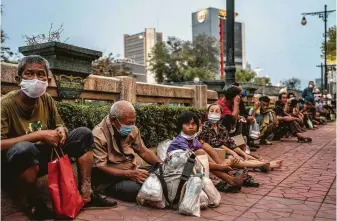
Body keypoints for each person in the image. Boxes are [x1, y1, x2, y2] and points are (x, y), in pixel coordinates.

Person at [1, 55, 116, 220]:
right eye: (29, 74)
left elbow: (59, 124)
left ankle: (86, 194)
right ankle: (34, 204)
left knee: (83, 134)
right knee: (24, 149)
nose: (36, 79)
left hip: (40, 157)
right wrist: (39, 135)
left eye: (40, 74)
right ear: (18, 78)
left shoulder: (46, 99)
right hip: (14, 163)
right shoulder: (5, 104)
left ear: (48, 79)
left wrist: (61, 130)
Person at [92, 101, 161, 202]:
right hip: (109, 180)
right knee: (142, 189)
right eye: (129, 123)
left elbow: (143, 151)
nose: (132, 126)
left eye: (134, 122)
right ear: (113, 120)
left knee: (158, 176)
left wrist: (162, 166)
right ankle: (105, 191)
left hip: (132, 172)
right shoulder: (98, 135)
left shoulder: (132, 129)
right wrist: (129, 174)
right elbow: (102, 167)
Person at [167, 111, 249, 193]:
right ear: (181, 126)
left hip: (191, 164)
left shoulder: (194, 139)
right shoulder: (180, 141)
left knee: (201, 151)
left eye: (193, 124)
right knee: (200, 154)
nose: (191, 127)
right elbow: (193, 160)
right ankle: (229, 178)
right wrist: (219, 166)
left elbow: (229, 144)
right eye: (187, 124)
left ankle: (230, 178)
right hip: (176, 168)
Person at [200, 104, 282, 171]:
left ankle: (264, 163)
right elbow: (218, 144)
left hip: (227, 150)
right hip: (214, 154)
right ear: (207, 113)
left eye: (217, 111)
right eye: (212, 111)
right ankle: (264, 164)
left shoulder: (222, 128)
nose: (214, 113)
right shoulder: (205, 127)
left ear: (221, 114)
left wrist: (243, 154)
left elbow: (231, 143)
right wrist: (235, 154)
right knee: (235, 158)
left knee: (242, 154)